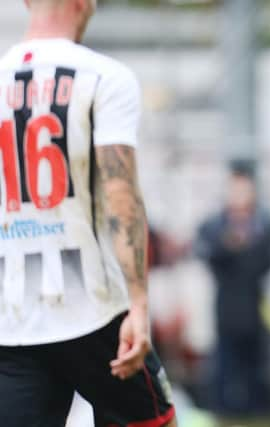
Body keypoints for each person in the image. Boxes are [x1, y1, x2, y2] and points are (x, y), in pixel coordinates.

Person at [0, 1, 176, 426]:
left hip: (13, 315)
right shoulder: (103, 76)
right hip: (93, 309)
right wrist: (138, 305)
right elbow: (122, 194)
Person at [193, 164, 270, 414]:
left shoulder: (263, 223)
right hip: (227, 300)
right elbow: (206, 253)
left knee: (255, 356)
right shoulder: (215, 225)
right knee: (224, 357)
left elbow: (268, 259)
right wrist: (229, 246)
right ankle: (222, 406)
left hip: (253, 299)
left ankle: (255, 405)